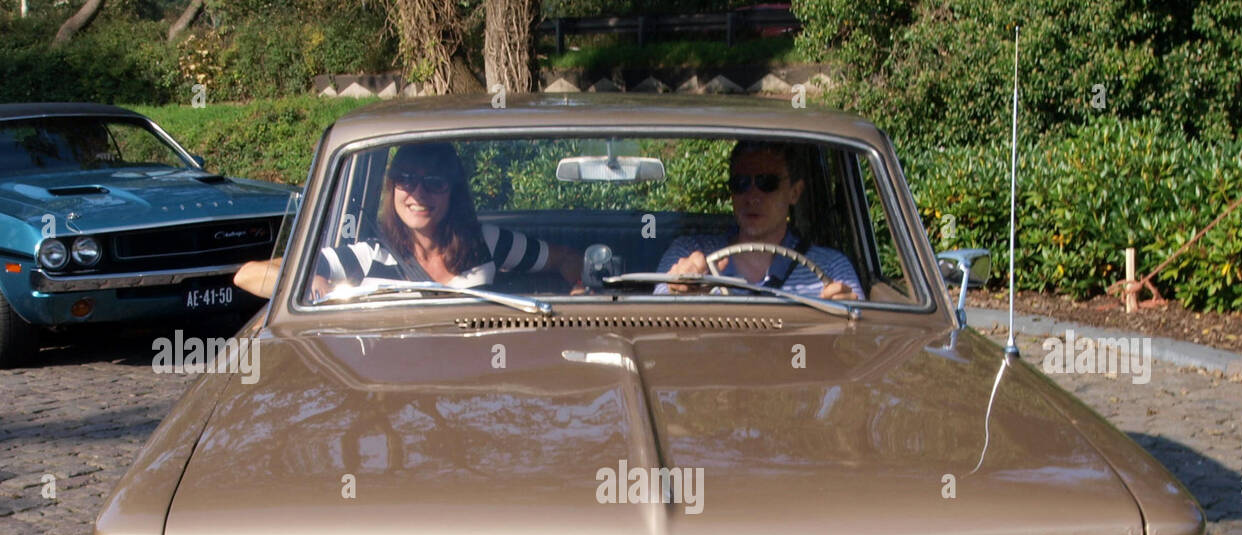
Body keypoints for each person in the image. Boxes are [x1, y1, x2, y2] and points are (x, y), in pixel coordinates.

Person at [233, 141, 581, 300]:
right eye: (406, 179)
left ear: (452, 192)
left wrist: (580, 288)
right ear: (393, 186)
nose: (417, 193)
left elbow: (567, 258)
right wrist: (313, 283)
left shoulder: (486, 243)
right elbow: (247, 274)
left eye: (434, 183)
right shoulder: (370, 257)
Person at [656, 141, 864, 301]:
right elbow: (652, 327)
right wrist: (678, 291)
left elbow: (857, 348)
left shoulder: (832, 267)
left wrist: (846, 314)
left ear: (794, 192)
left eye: (767, 183)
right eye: (741, 183)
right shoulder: (687, 252)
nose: (752, 196)